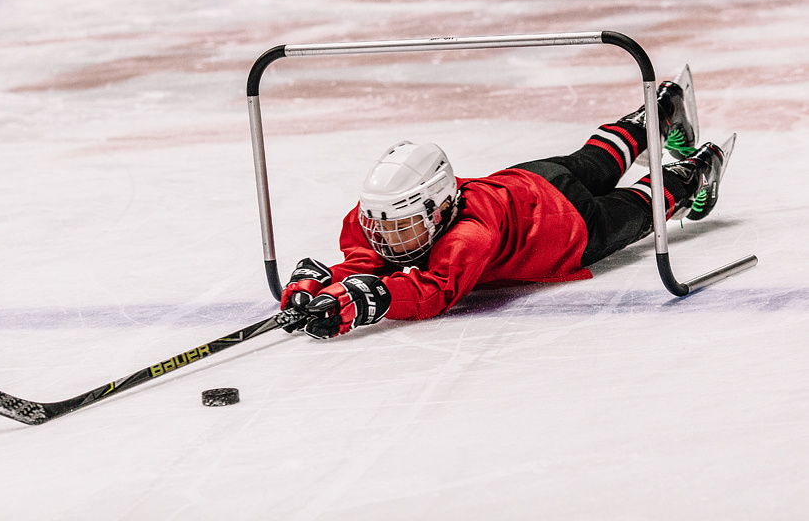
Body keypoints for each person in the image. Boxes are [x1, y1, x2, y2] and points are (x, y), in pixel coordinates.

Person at [280, 67, 735, 339]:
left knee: (640, 207)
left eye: (405, 225)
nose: (390, 236)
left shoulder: (467, 237)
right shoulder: (386, 216)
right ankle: (660, 107)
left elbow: (435, 289)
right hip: (533, 179)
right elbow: (367, 259)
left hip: (568, 231)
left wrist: (375, 301)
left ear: (439, 210)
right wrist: (322, 284)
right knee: (595, 159)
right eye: (383, 223)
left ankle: (698, 170)